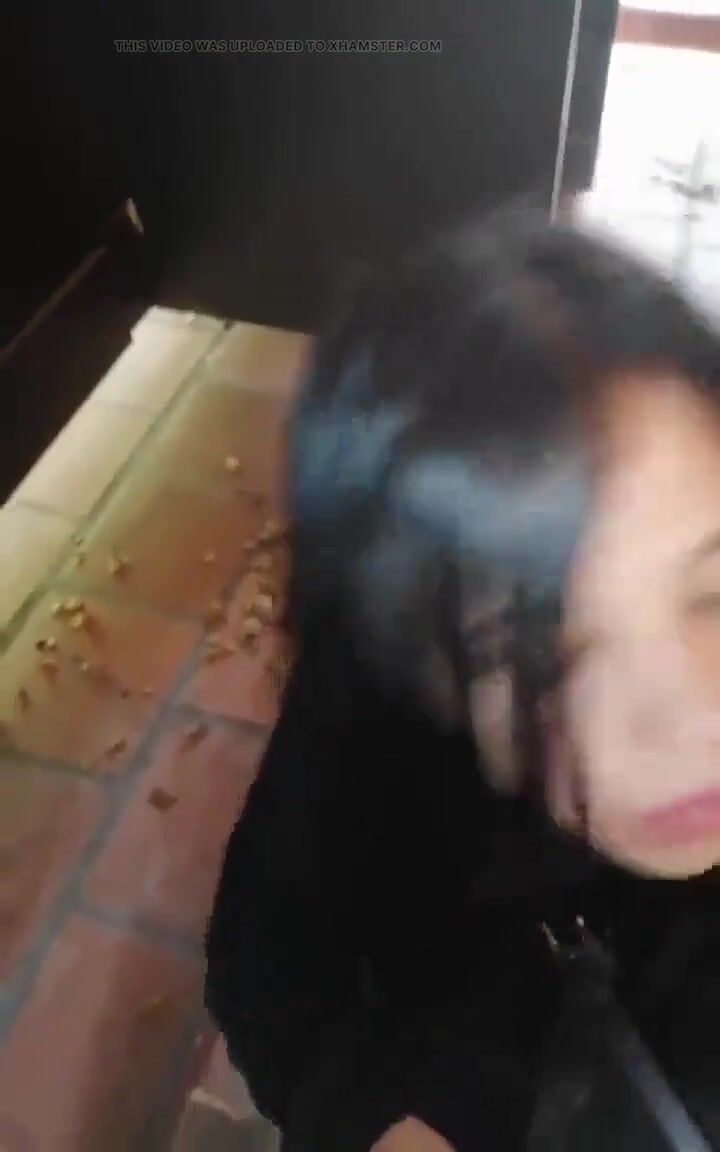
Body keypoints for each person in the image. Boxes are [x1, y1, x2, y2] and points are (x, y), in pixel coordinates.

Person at [205, 213, 720, 1152]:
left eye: (714, 588)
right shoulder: (373, 718)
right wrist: (365, 1117)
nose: (694, 718)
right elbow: (270, 974)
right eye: (550, 652)